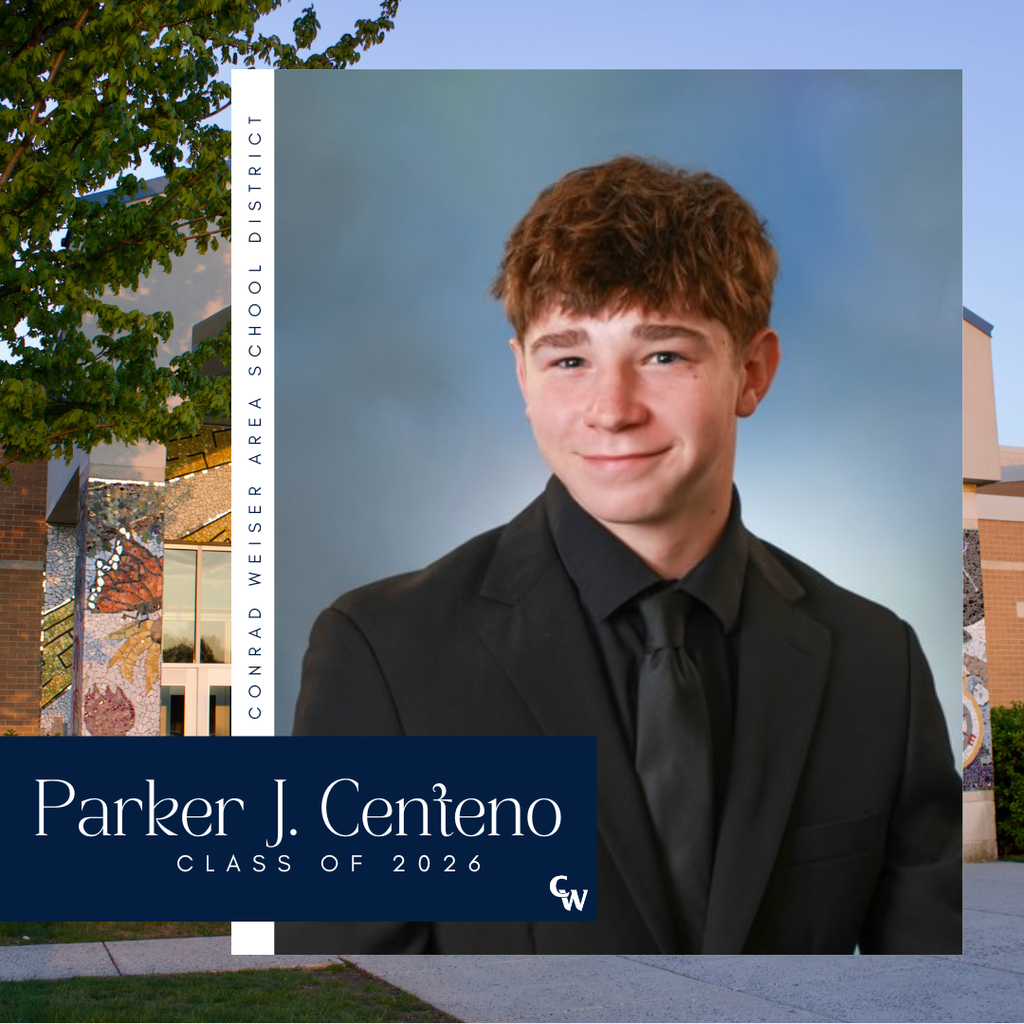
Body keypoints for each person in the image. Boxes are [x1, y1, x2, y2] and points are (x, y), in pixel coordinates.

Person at [278, 156, 961, 955]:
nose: (612, 410)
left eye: (663, 355)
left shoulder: (879, 664)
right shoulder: (384, 654)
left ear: (752, 372)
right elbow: (350, 994)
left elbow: (931, 992)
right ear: (523, 376)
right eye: (569, 359)